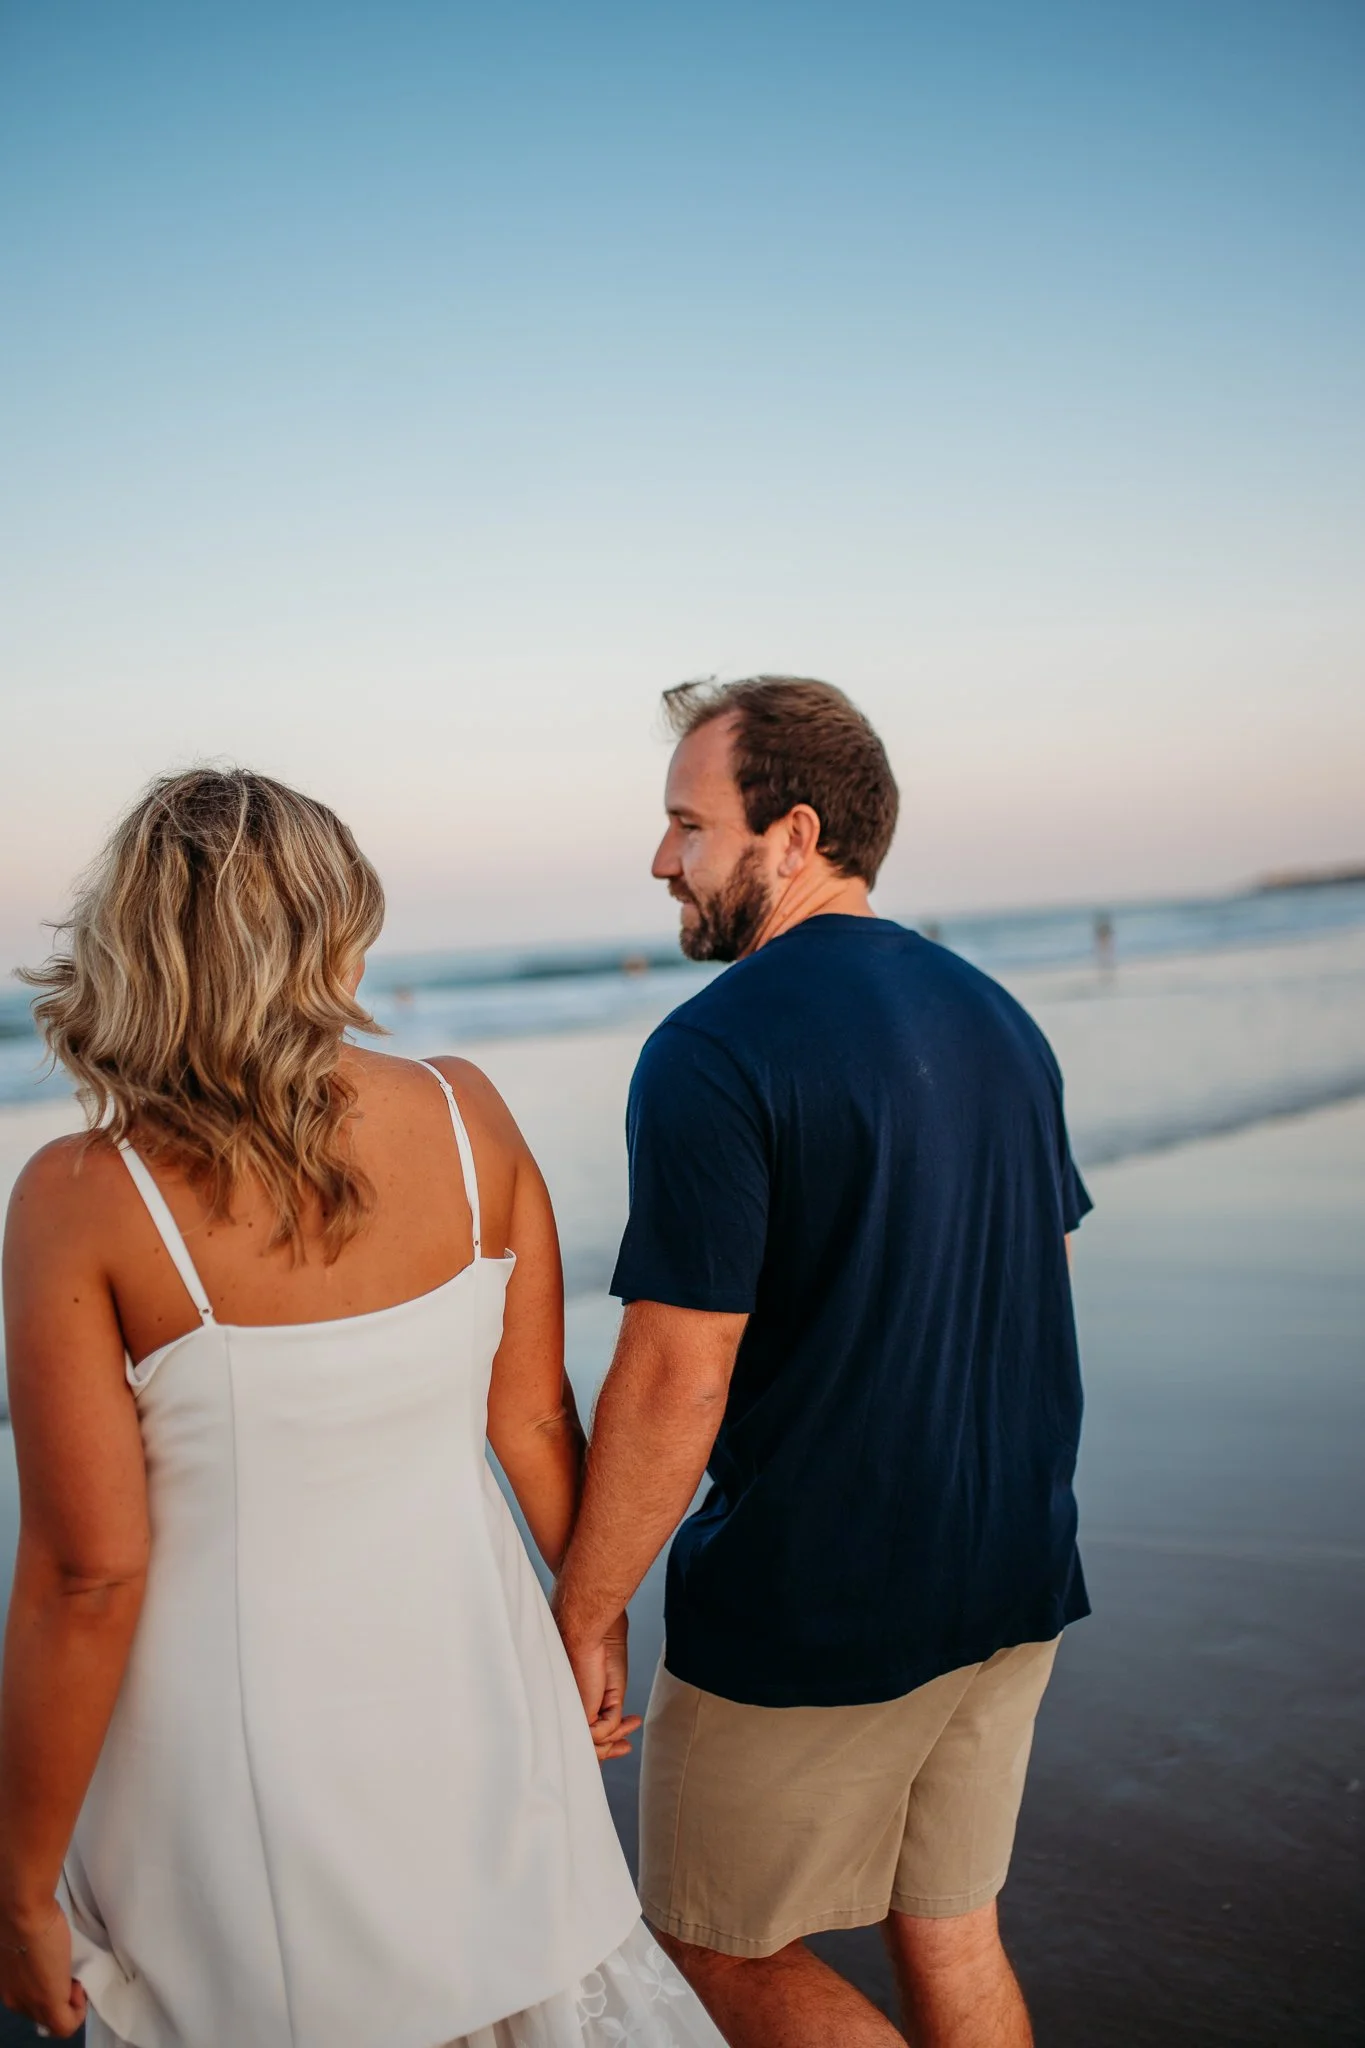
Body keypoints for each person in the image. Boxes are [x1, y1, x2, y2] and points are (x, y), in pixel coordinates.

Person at [0, 769, 726, 2048]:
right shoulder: (465, 1111)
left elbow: (88, 1573)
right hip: (478, 1690)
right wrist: (590, 1615)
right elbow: (533, 1421)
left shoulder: (80, 1196)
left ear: (137, 942)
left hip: (234, 1760)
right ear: (336, 921)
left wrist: (19, 1881)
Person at [553, 678, 1091, 2048]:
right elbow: (1041, 1279)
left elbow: (676, 1377)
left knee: (709, 1945)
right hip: (1015, 1567)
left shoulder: (713, 1047)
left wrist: (586, 1607)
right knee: (950, 1924)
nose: (662, 858)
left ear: (791, 834)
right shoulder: (997, 1017)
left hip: (821, 1595)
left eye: (688, 824)